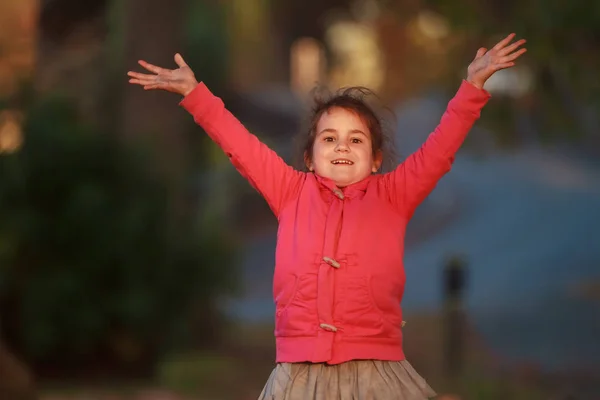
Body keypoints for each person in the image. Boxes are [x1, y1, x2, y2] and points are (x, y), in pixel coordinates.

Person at [128, 33, 526, 399]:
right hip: (299, 373)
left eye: (356, 140)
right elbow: (239, 144)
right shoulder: (288, 190)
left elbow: (440, 150)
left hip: (376, 371)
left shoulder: (393, 195)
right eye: (329, 138)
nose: (342, 146)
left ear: (374, 160)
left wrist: (472, 87)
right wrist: (195, 93)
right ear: (309, 156)